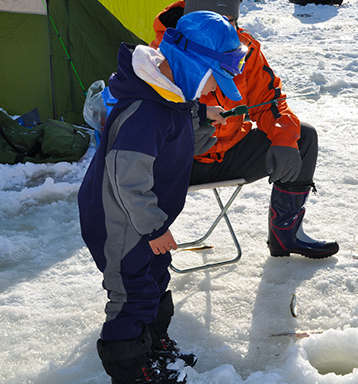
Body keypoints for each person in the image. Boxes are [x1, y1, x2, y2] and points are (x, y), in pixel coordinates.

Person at [78, 11, 246, 384]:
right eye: (209, 82)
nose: (209, 90)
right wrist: (153, 227)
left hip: (143, 218)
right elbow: (127, 180)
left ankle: (151, 344)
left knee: (154, 276)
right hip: (120, 220)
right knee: (130, 290)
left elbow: (179, 114)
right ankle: (129, 368)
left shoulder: (168, 95)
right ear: (190, 66)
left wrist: (203, 114)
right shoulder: (146, 112)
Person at [150, 0, 339, 259]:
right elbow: (144, 131)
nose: (228, 30)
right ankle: (147, 263)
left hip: (229, 153)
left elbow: (270, 103)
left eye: (231, 22)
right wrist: (181, 141)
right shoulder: (164, 54)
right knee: (141, 178)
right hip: (179, 165)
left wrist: (284, 138)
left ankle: (286, 235)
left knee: (303, 137)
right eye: (217, 21)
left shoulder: (242, 49)